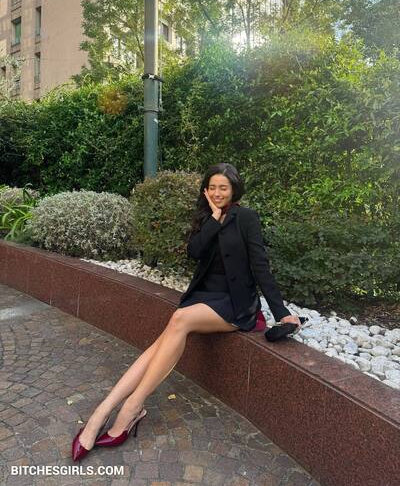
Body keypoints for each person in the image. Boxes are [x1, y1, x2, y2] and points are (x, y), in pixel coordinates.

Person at [72, 162, 301, 461]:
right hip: (204, 296)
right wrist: (214, 218)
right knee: (161, 343)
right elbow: (195, 252)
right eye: (212, 187)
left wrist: (280, 312)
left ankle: (130, 407)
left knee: (179, 319)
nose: (218, 193)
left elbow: (260, 266)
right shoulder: (206, 217)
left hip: (235, 303)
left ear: (234, 189)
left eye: (224, 188)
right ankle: (103, 411)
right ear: (205, 190)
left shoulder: (247, 217)